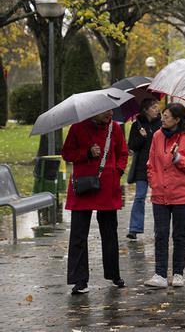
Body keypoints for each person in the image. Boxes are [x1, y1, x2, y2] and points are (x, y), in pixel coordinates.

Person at [62, 109, 128, 294]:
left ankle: (114, 274)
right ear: (94, 111)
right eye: (105, 111)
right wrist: (86, 153)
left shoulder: (114, 128)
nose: (110, 113)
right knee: (78, 235)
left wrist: (118, 171)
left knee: (109, 233)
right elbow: (67, 154)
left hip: (107, 187)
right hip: (83, 188)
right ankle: (79, 280)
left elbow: (122, 153)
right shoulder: (78, 127)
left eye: (111, 110)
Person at [143, 103, 185, 288]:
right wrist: (154, 181)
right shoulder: (157, 136)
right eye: (163, 115)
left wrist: (178, 158)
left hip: (182, 195)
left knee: (179, 235)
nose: (162, 119)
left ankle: (178, 273)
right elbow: (151, 162)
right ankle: (160, 274)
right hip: (160, 193)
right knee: (160, 234)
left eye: (167, 116)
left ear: (177, 119)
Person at [126, 97, 161, 240]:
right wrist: (141, 137)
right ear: (145, 110)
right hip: (142, 167)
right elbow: (132, 146)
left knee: (158, 198)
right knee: (140, 196)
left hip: (158, 166)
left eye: (157, 107)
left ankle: (159, 228)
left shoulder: (161, 124)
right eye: (153, 108)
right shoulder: (137, 125)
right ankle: (134, 228)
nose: (157, 110)